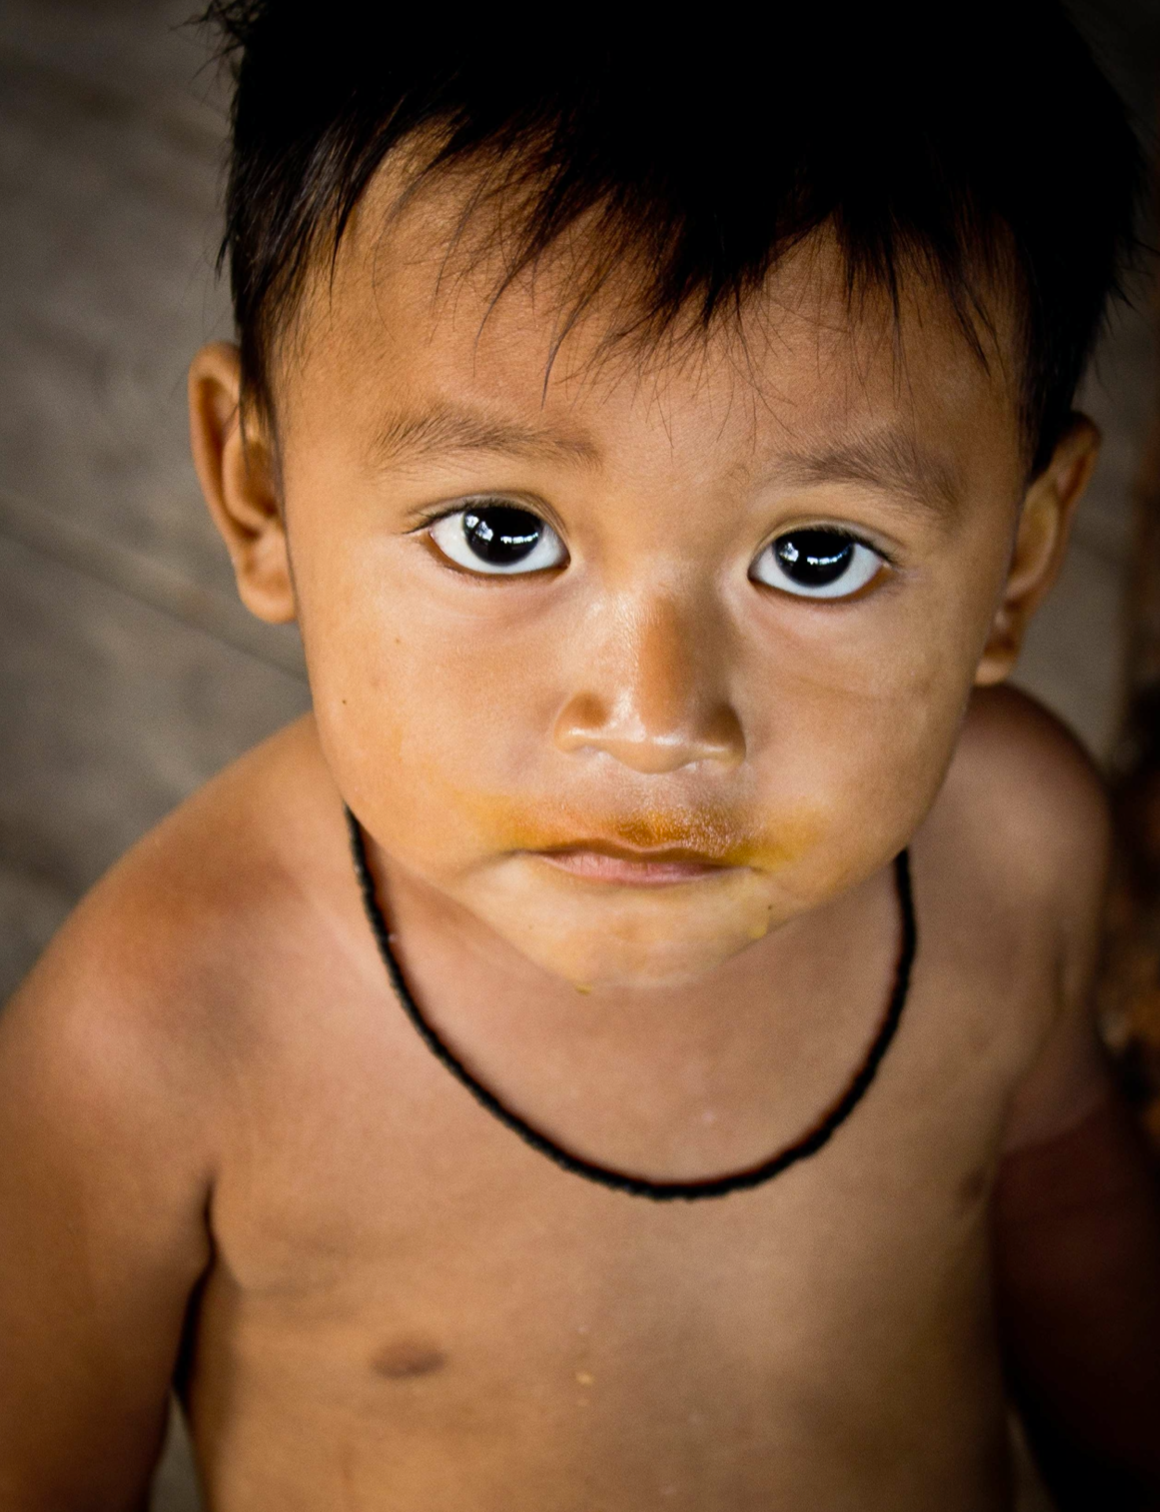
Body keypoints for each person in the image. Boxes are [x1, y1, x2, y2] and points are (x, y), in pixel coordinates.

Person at [2, 4, 1159, 1508]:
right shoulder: (160, 1031)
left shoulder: (1013, 846)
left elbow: (1064, 1201)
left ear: (1018, 562)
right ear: (262, 490)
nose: (659, 715)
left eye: (817, 555)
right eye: (503, 532)